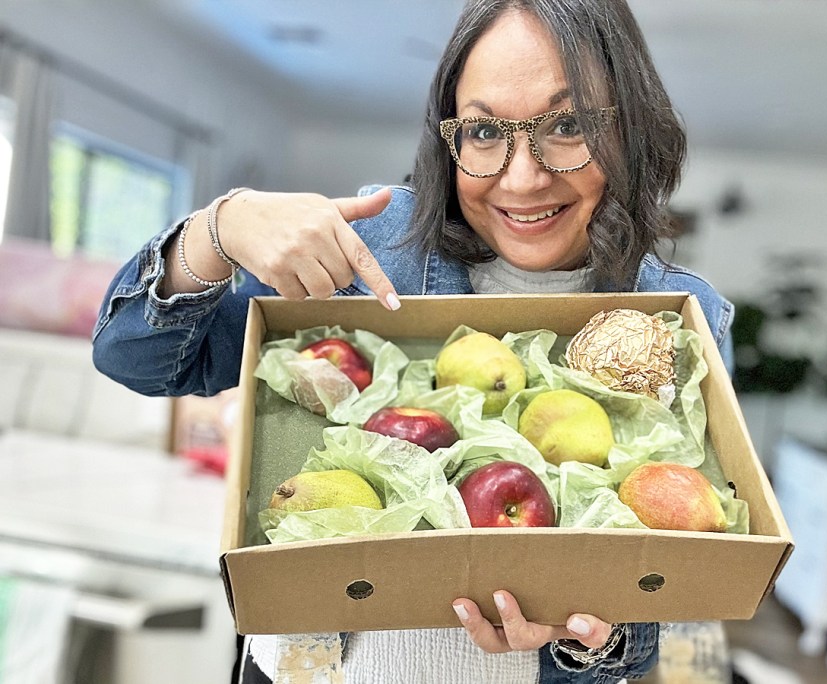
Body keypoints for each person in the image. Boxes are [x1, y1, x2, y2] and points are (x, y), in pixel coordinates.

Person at [93, 0, 735, 682]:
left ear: (630, 127)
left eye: (569, 125)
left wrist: (593, 645)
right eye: (484, 131)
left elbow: (684, 612)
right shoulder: (373, 248)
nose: (522, 177)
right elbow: (136, 357)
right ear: (448, 136)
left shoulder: (682, 324)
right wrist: (216, 230)